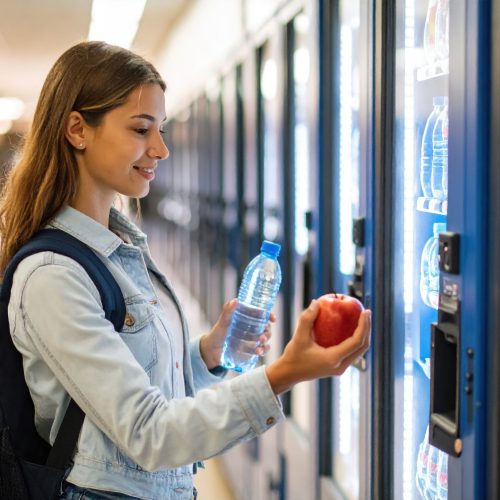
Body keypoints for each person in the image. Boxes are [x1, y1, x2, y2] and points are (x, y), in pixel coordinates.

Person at [0, 41, 371, 499]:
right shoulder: (54, 275)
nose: (161, 149)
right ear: (77, 129)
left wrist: (206, 354)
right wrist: (284, 374)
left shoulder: (119, 250)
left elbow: (137, 384)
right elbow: (150, 433)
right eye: (141, 129)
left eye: (162, 129)